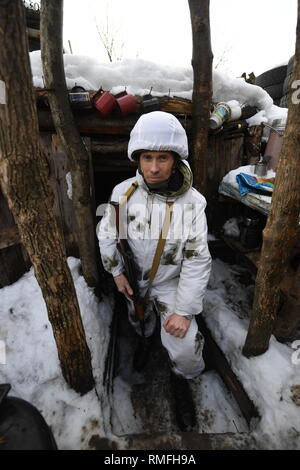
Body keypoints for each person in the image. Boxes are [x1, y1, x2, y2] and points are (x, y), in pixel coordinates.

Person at [97, 111, 212, 431]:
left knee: (186, 345)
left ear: (175, 160)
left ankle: (184, 380)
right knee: (139, 320)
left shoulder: (193, 203)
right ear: (139, 157)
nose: (154, 167)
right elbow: (108, 232)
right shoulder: (124, 193)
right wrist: (116, 272)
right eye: (147, 157)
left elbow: (197, 259)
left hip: (169, 285)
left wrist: (185, 311)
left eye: (162, 157)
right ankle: (146, 342)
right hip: (134, 281)